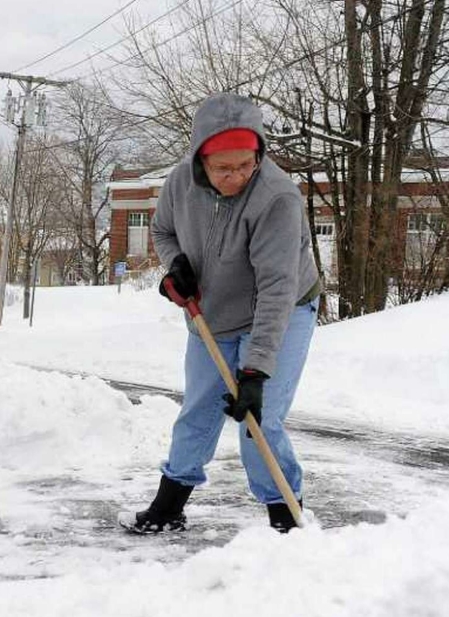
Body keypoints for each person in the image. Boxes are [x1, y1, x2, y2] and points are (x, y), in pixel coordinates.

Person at [117, 93, 322, 534]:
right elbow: (163, 230)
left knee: (258, 420)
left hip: (280, 311)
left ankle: (286, 520)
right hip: (210, 314)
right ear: (201, 160)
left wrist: (257, 370)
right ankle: (169, 505)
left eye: (246, 165)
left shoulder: (277, 198)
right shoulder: (179, 183)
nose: (237, 177)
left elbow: (276, 288)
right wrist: (177, 266)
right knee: (198, 410)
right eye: (224, 168)